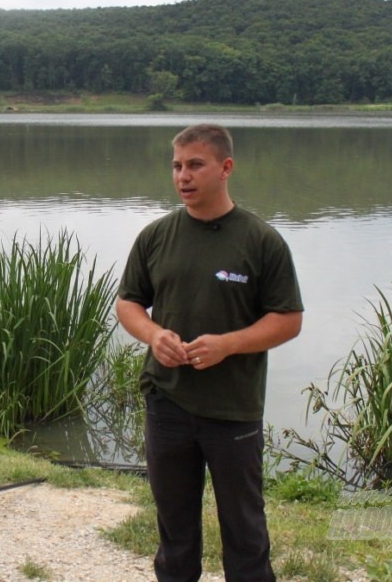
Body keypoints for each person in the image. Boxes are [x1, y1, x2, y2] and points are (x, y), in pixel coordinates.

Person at [116, 124, 303, 582]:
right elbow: (128, 303)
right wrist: (154, 334)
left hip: (232, 409)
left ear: (226, 168)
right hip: (168, 401)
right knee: (175, 530)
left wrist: (228, 344)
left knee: (244, 531)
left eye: (195, 165)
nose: (183, 176)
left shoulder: (261, 241)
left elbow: (289, 320)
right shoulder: (156, 236)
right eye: (177, 166)